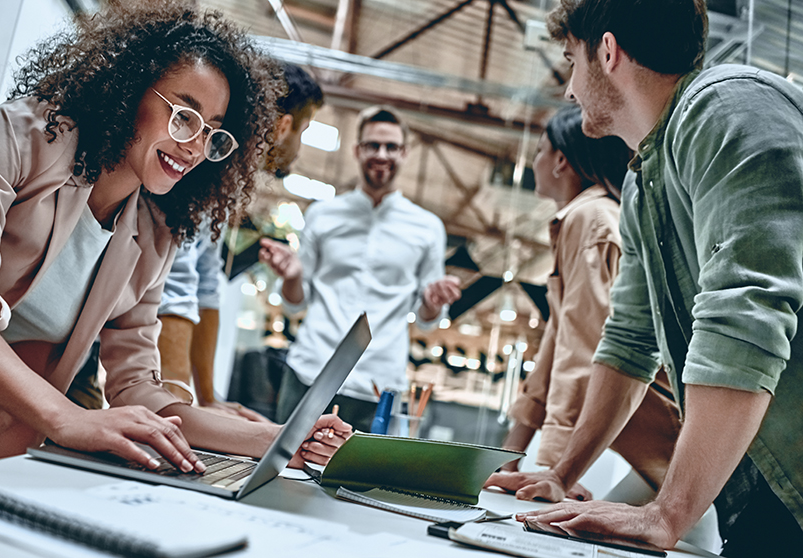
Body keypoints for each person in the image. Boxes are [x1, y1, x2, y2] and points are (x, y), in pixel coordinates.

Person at [0, 0, 349, 492]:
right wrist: (69, 419)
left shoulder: (153, 233)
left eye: (213, 132)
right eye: (184, 115)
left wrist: (280, 440)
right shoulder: (17, 137)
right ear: (129, 89)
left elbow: (138, 389)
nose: (194, 146)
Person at [490, 0, 803, 554]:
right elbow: (630, 339)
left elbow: (745, 316)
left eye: (571, 61)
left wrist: (668, 512)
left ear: (606, 52)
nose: (569, 90)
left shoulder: (730, 107)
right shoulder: (642, 182)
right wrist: (563, 472)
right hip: (762, 483)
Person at [491, 105, 680, 502]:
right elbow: (554, 350)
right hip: (654, 449)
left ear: (561, 160)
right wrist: (506, 459)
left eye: (540, 150)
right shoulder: (583, 219)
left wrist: (556, 470)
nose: (535, 161)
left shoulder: (590, 220)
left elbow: (584, 348)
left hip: (668, 441)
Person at [259, 105, 462, 432]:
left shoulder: (428, 228)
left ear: (405, 153)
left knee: (359, 482)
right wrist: (293, 276)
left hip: (379, 384)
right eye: (372, 145)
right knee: (284, 471)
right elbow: (295, 301)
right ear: (357, 150)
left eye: (391, 146)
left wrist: (433, 302)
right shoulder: (323, 215)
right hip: (311, 372)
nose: (381, 154)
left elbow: (427, 321)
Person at [154, 63, 325, 421]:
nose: (298, 147)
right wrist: (179, 410)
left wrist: (207, 399)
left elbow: (205, 283)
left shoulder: (229, 180)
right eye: (304, 131)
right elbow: (179, 283)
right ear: (283, 127)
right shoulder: (207, 164)